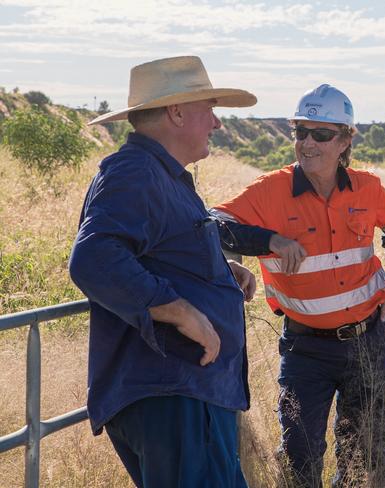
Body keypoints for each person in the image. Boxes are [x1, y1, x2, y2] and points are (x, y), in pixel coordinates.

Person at [212, 84, 385, 487]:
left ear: (344, 140)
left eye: (320, 134)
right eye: (300, 131)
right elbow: (212, 225)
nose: (307, 143)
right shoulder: (270, 190)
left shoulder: (368, 187)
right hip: (305, 348)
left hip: (368, 341)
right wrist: (267, 241)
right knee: (299, 459)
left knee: (365, 460)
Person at [68, 56, 258, 488]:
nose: (217, 123)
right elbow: (94, 257)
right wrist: (181, 311)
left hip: (188, 395)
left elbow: (154, 251)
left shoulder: (161, 176)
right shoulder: (135, 172)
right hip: (174, 394)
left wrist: (215, 270)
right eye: (209, 109)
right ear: (176, 112)